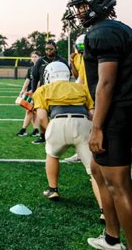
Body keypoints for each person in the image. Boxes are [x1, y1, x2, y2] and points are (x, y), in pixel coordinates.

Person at [67, 0, 132, 250]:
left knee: (119, 185)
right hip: (121, 113)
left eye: (82, 4)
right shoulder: (120, 29)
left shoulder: (103, 33)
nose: (78, 11)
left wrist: (98, 127)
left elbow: (107, 83)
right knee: (100, 174)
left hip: (112, 115)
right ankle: (112, 240)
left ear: (98, 1)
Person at [31, 67, 103, 209]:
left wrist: (48, 131)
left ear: (48, 75)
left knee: (52, 154)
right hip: (83, 122)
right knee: (93, 170)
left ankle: (53, 189)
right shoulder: (81, 88)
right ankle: (104, 210)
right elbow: (92, 113)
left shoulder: (43, 89)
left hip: (58, 121)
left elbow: (41, 116)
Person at [15, 50, 40, 136]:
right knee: (33, 111)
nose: (34, 58)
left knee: (29, 111)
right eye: (32, 56)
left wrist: (33, 90)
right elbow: (28, 80)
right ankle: (36, 130)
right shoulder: (30, 69)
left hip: (37, 93)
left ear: (39, 57)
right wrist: (22, 90)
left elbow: (40, 81)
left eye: (36, 56)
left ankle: (23, 130)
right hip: (30, 92)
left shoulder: (41, 67)